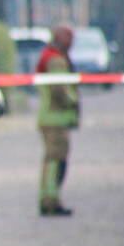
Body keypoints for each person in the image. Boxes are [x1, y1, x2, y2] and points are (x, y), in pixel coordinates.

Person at [36, 23, 79, 216]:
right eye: (69, 37)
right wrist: (73, 101)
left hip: (50, 118)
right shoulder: (56, 60)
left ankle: (49, 198)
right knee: (56, 162)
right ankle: (51, 200)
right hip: (56, 119)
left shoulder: (49, 56)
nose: (72, 41)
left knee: (51, 161)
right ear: (60, 37)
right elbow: (60, 89)